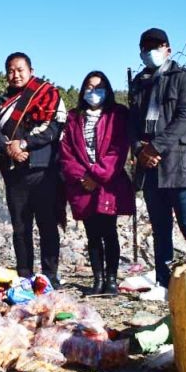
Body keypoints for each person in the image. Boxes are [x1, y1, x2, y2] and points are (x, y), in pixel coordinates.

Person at [129, 28, 186, 287]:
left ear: (168, 49)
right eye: (146, 47)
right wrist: (140, 150)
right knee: (160, 232)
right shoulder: (139, 83)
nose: (151, 51)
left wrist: (155, 148)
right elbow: (133, 123)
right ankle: (164, 286)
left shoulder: (183, 78)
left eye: (157, 45)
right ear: (141, 52)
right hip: (152, 171)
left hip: (182, 167)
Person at [0, 52, 67, 284]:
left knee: (47, 225)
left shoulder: (48, 94)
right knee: (20, 228)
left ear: (31, 70)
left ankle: (50, 275)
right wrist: (7, 147)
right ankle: (24, 274)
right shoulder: (1, 101)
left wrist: (24, 144)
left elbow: (54, 127)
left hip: (42, 171)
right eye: (11, 70)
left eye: (20, 69)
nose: (16, 74)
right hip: (14, 172)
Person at [60, 72, 135, 295]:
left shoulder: (118, 114)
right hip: (82, 184)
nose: (94, 92)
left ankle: (111, 279)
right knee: (92, 233)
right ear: (83, 91)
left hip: (108, 182)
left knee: (109, 231)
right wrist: (82, 177)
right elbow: (66, 153)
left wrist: (97, 175)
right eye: (89, 88)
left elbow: (119, 149)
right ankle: (97, 279)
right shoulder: (73, 117)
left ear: (108, 90)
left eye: (99, 87)